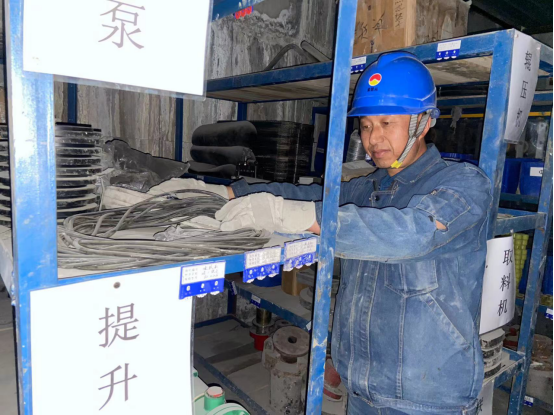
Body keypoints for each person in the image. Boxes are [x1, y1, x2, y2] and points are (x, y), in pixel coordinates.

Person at [215, 52, 492, 415]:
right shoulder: (371, 188)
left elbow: (414, 233)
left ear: (423, 123)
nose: (373, 138)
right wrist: (230, 193)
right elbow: (313, 196)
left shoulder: (464, 183)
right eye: (365, 125)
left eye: (386, 123)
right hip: (361, 390)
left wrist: (297, 216)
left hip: (428, 398)